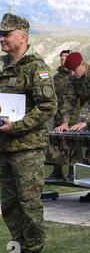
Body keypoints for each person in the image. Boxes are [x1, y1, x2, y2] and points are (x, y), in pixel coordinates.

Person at [0, 14, 57, 253]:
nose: (1, 38)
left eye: (6, 34)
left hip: (27, 150)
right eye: (0, 34)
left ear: (23, 36)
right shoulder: (0, 66)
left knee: (29, 206)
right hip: (2, 148)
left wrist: (18, 126)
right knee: (9, 207)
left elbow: (47, 107)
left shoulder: (37, 68)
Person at [54, 52, 90, 202]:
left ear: (83, 64)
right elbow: (68, 101)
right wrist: (65, 122)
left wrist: (86, 121)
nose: (74, 74)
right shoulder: (72, 79)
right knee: (87, 155)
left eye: (75, 70)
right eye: (71, 71)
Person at [47, 50, 81, 181]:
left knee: (71, 145)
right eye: (62, 57)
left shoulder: (74, 76)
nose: (63, 59)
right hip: (58, 115)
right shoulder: (56, 77)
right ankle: (57, 172)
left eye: (66, 57)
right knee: (56, 144)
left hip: (73, 116)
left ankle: (73, 171)